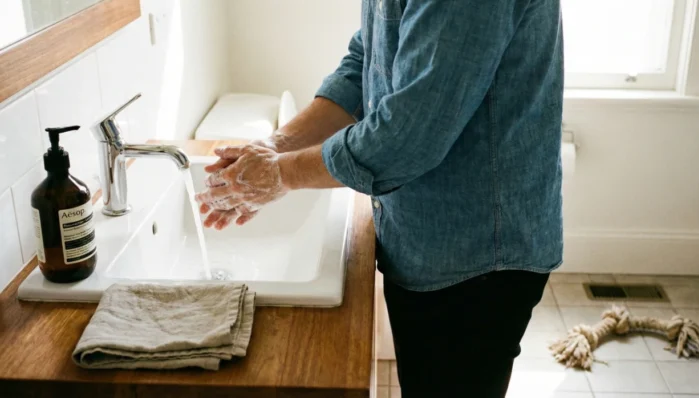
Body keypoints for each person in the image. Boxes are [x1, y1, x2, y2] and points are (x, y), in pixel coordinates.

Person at [195, 0, 564, 396]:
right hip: (431, 238)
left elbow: (408, 136)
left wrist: (280, 173)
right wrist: (275, 147)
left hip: (477, 257)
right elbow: (366, 61)